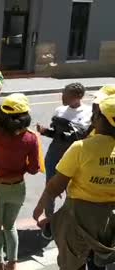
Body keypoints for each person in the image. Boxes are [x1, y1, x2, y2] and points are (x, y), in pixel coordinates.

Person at [33, 95, 115, 270]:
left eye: (96, 114)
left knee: (73, 261)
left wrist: (41, 208)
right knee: (100, 263)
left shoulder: (82, 148)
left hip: (79, 216)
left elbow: (56, 186)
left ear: (101, 119)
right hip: (110, 218)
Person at [0, 93, 41, 270]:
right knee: (10, 227)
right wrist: (19, 168)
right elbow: (33, 169)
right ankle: (12, 264)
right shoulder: (31, 138)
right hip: (18, 188)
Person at [36, 83, 92, 240]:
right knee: (50, 189)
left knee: (72, 191)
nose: (63, 97)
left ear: (78, 96)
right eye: (63, 93)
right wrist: (45, 131)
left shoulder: (88, 113)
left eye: (66, 95)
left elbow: (84, 137)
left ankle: (70, 222)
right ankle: (49, 222)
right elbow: (56, 134)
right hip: (54, 155)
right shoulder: (60, 110)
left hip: (75, 157)